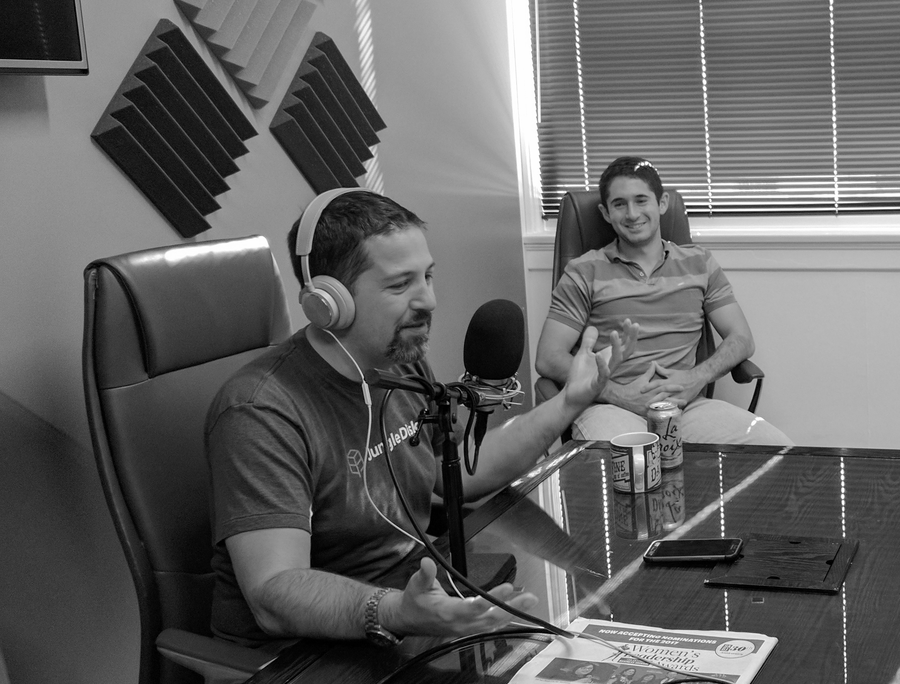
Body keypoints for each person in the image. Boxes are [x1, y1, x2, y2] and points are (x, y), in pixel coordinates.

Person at [206, 189, 636, 646]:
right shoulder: (259, 411)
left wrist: (570, 402)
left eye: (427, 276)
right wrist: (394, 611)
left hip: (410, 607)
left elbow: (463, 474)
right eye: (400, 285)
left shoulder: (398, 364)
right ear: (328, 301)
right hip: (302, 654)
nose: (428, 300)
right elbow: (274, 592)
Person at [535, 156, 791, 445]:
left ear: (662, 203)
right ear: (605, 213)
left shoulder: (699, 262)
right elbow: (548, 356)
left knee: (777, 450)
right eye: (619, 204)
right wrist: (617, 394)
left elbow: (742, 338)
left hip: (686, 407)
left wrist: (696, 378)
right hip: (609, 408)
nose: (632, 214)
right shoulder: (583, 271)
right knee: (635, 463)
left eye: (641, 200)